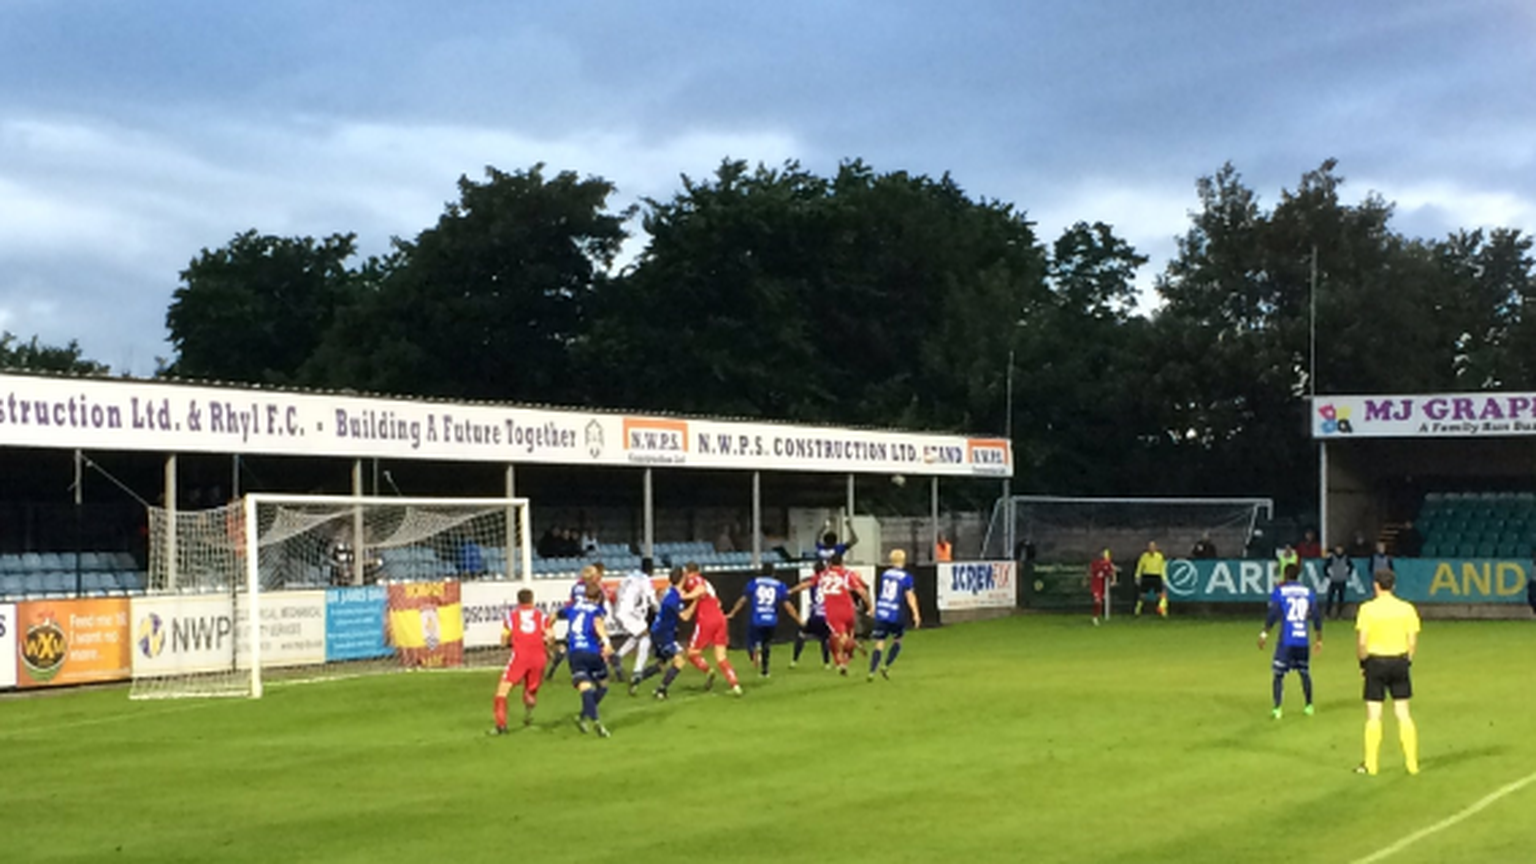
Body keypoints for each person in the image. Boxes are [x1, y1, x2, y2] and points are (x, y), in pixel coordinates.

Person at [1355, 569, 1421, 775]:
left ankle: (1371, 765)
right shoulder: (1406, 608)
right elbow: (1412, 641)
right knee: (1403, 713)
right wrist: (1407, 661)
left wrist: (1363, 664)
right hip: (1399, 660)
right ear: (1393, 585)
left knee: (1374, 715)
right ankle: (1412, 763)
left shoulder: (1367, 609)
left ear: (1376, 585)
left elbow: (1362, 642)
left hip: (1376, 661)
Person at [667, 562, 742, 696]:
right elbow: (717, 601)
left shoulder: (695, 580)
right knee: (721, 657)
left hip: (707, 619)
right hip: (720, 618)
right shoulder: (708, 583)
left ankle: (708, 671)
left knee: (691, 653)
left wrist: (686, 596)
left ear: (690, 572)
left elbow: (700, 588)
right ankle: (735, 685)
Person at [1258, 562, 1322, 719]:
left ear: (1285, 575)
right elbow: (1316, 616)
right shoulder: (1308, 592)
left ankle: (1278, 708)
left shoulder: (1280, 592)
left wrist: (1264, 633)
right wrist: (1319, 639)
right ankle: (1309, 706)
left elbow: (1273, 614)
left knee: (1278, 675)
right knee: (1304, 673)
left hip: (1286, 640)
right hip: (1303, 640)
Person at [490, 588, 551, 734]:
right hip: (539, 657)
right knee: (530, 692)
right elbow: (550, 636)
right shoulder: (542, 617)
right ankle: (528, 717)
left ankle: (501, 725)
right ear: (532, 600)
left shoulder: (512, 617)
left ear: (518, 601)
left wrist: (506, 643)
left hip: (520, 657)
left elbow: (504, 639)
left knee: (502, 692)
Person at [726, 563, 802, 677]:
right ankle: (765, 670)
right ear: (773, 573)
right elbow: (788, 605)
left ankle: (755, 651)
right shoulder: (779, 585)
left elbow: (743, 600)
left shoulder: (754, 583)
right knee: (767, 643)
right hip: (771, 619)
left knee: (750, 640)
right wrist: (797, 618)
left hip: (757, 618)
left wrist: (732, 612)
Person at [567, 582, 616, 738]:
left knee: (585, 687)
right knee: (602, 685)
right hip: (592, 652)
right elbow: (598, 624)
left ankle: (584, 717)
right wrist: (606, 642)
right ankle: (595, 721)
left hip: (575, 652)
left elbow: (554, 615)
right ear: (598, 597)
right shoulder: (596, 610)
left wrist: (548, 629)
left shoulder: (573, 607)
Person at [868, 549, 921, 681]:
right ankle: (886, 666)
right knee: (897, 640)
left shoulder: (885, 574)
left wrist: (874, 607)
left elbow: (881, 593)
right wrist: (916, 613)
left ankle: (872, 672)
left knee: (879, 642)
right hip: (895, 613)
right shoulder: (906, 577)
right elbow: (910, 596)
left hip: (882, 611)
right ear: (903, 560)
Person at [820, 552, 872, 675]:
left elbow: (809, 583)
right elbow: (862, 591)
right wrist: (870, 606)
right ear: (842, 563)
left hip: (833, 611)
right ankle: (847, 659)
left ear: (829, 564)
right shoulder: (847, 574)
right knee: (849, 635)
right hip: (849, 610)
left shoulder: (823, 575)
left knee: (839, 638)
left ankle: (842, 661)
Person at [641, 568, 690, 697]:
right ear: (682, 579)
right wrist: (696, 601)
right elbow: (685, 616)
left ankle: (637, 679)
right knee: (679, 661)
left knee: (661, 665)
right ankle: (661, 690)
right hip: (664, 633)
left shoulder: (670, 591)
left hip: (659, 630)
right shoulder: (674, 597)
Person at [610, 558, 659, 686]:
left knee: (637, 635)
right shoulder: (645, 580)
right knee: (646, 637)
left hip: (618, 610)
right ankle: (638, 671)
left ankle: (617, 656)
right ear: (651, 570)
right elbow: (652, 599)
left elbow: (618, 592)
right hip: (628, 613)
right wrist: (659, 610)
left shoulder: (629, 577)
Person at [788, 561, 833, 669]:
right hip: (826, 615)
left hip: (815, 614)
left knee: (802, 635)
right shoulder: (829, 581)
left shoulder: (814, 580)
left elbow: (804, 585)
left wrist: (791, 591)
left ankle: (794, 660)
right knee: (825, 638)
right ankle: (827, 663)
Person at [1134, 540, 1167, 617]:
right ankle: (1137, 610)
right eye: (1150, 547)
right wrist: (1137, 576)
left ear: (1155, 548)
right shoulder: (1144, 556)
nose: (1151, 548)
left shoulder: (1159, 556)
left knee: (1160, 595)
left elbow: (1162, 568)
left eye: (1153, 547)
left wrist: (1164, 578)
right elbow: (1140, 567)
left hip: (1156, 576)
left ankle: (1162, 610)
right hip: (1147, 576)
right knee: (1142, 595)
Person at [1323, 543, 1356, 619]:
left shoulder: (1346, 558)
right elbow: (1325, 566)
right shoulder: (1332, 558)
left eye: (1340, 549)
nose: (1339, 550)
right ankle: (1327, 614)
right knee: (1330, 598)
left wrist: (1347, 574)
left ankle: (1339, 614)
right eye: (1338, 549)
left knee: (1341, 598)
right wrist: (1328, 575)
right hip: (1334, 580)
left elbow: (1351, 566)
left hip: (1342, 580)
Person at [1089, 548, 1116, 625]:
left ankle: (1097, 615)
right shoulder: (1095, 563)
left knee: (1100, 602)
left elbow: (1112, 571)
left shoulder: (1107, 564)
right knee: (1097, 601)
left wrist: (1113, 581)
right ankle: (1095, 617)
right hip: (1095, 585)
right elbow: (1090, 572)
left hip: (1103, 586)